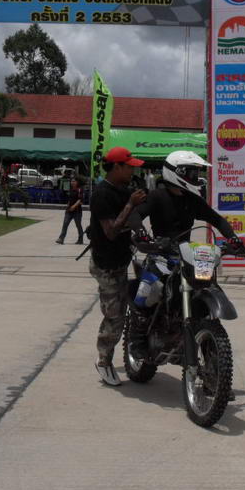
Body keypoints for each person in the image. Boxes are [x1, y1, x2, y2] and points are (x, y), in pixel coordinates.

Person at [126, 151, 245, 358]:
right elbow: (135, 215)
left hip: (186, 254)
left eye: (195, 173)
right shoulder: (156, 196)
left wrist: (233, 240)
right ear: (176, 172)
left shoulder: (193, 199)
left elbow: (217, 220)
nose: (195, 177)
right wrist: (144, 235)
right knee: (150, 289)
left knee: (206, 284)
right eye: (191, 172)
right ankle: (137, 340)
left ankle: (203, 332)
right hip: (160, 254)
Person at [88, 147, 146, 386]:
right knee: (114, 316)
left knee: (132, 307)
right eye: (129, 166)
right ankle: (104, 361)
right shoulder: (102, 194)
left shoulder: (124, 190)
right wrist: (131, 204)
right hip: (106, 264)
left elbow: (134, 221)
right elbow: (111, 231)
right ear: (116, 167)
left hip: (121, 261)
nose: (133, 170)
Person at [55, 177, 84, 245]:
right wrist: (68, 206)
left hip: (77, 211)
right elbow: (70, 199)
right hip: (69, 210)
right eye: (71, 181)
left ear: (77, 182)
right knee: (65, 224)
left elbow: (80, 200)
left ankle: (80, 239)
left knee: (78, 225)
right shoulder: (70, 190)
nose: (72, 182)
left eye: (74, 181)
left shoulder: (79, 189)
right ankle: (61, 238)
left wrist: (74, 206)